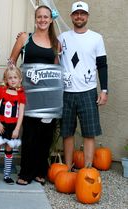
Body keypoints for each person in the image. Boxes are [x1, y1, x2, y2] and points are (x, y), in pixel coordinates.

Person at [9, 5, 60, 185]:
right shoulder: (25, 38)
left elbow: (57, 69)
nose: (43, 20)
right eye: (39, 17)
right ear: (35, 18)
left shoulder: (56, 43)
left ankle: (40, 172)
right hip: (28, 95)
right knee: (30, 134)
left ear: (51, 19)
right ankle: (25, 173)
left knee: (45, 135)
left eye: (46, 17)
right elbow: (12, 61)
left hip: (48, 97)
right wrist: (13, 82)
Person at [58, 1, 108, 169]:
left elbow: (102, 65)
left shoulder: (96, 38)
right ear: (72, 16)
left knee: (89, 132)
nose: (79, 16)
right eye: (76, 13)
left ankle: (87, 169)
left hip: (88, 91)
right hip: (66, 91)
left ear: (87, 16)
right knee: (67, 132)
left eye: (82, 13)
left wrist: (104, 90)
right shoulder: (62, 38)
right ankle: (67, 167)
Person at [0, 66, 26, 185]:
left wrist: (17, 129)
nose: (13, 80)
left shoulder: (20, 94)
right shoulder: (2, 90)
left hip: (13, 126)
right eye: (10, 78)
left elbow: (21, 113)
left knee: (9, 149)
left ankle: (7, 175)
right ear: (6, 79)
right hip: (0, 125)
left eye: (15, 77)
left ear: (19, 79)